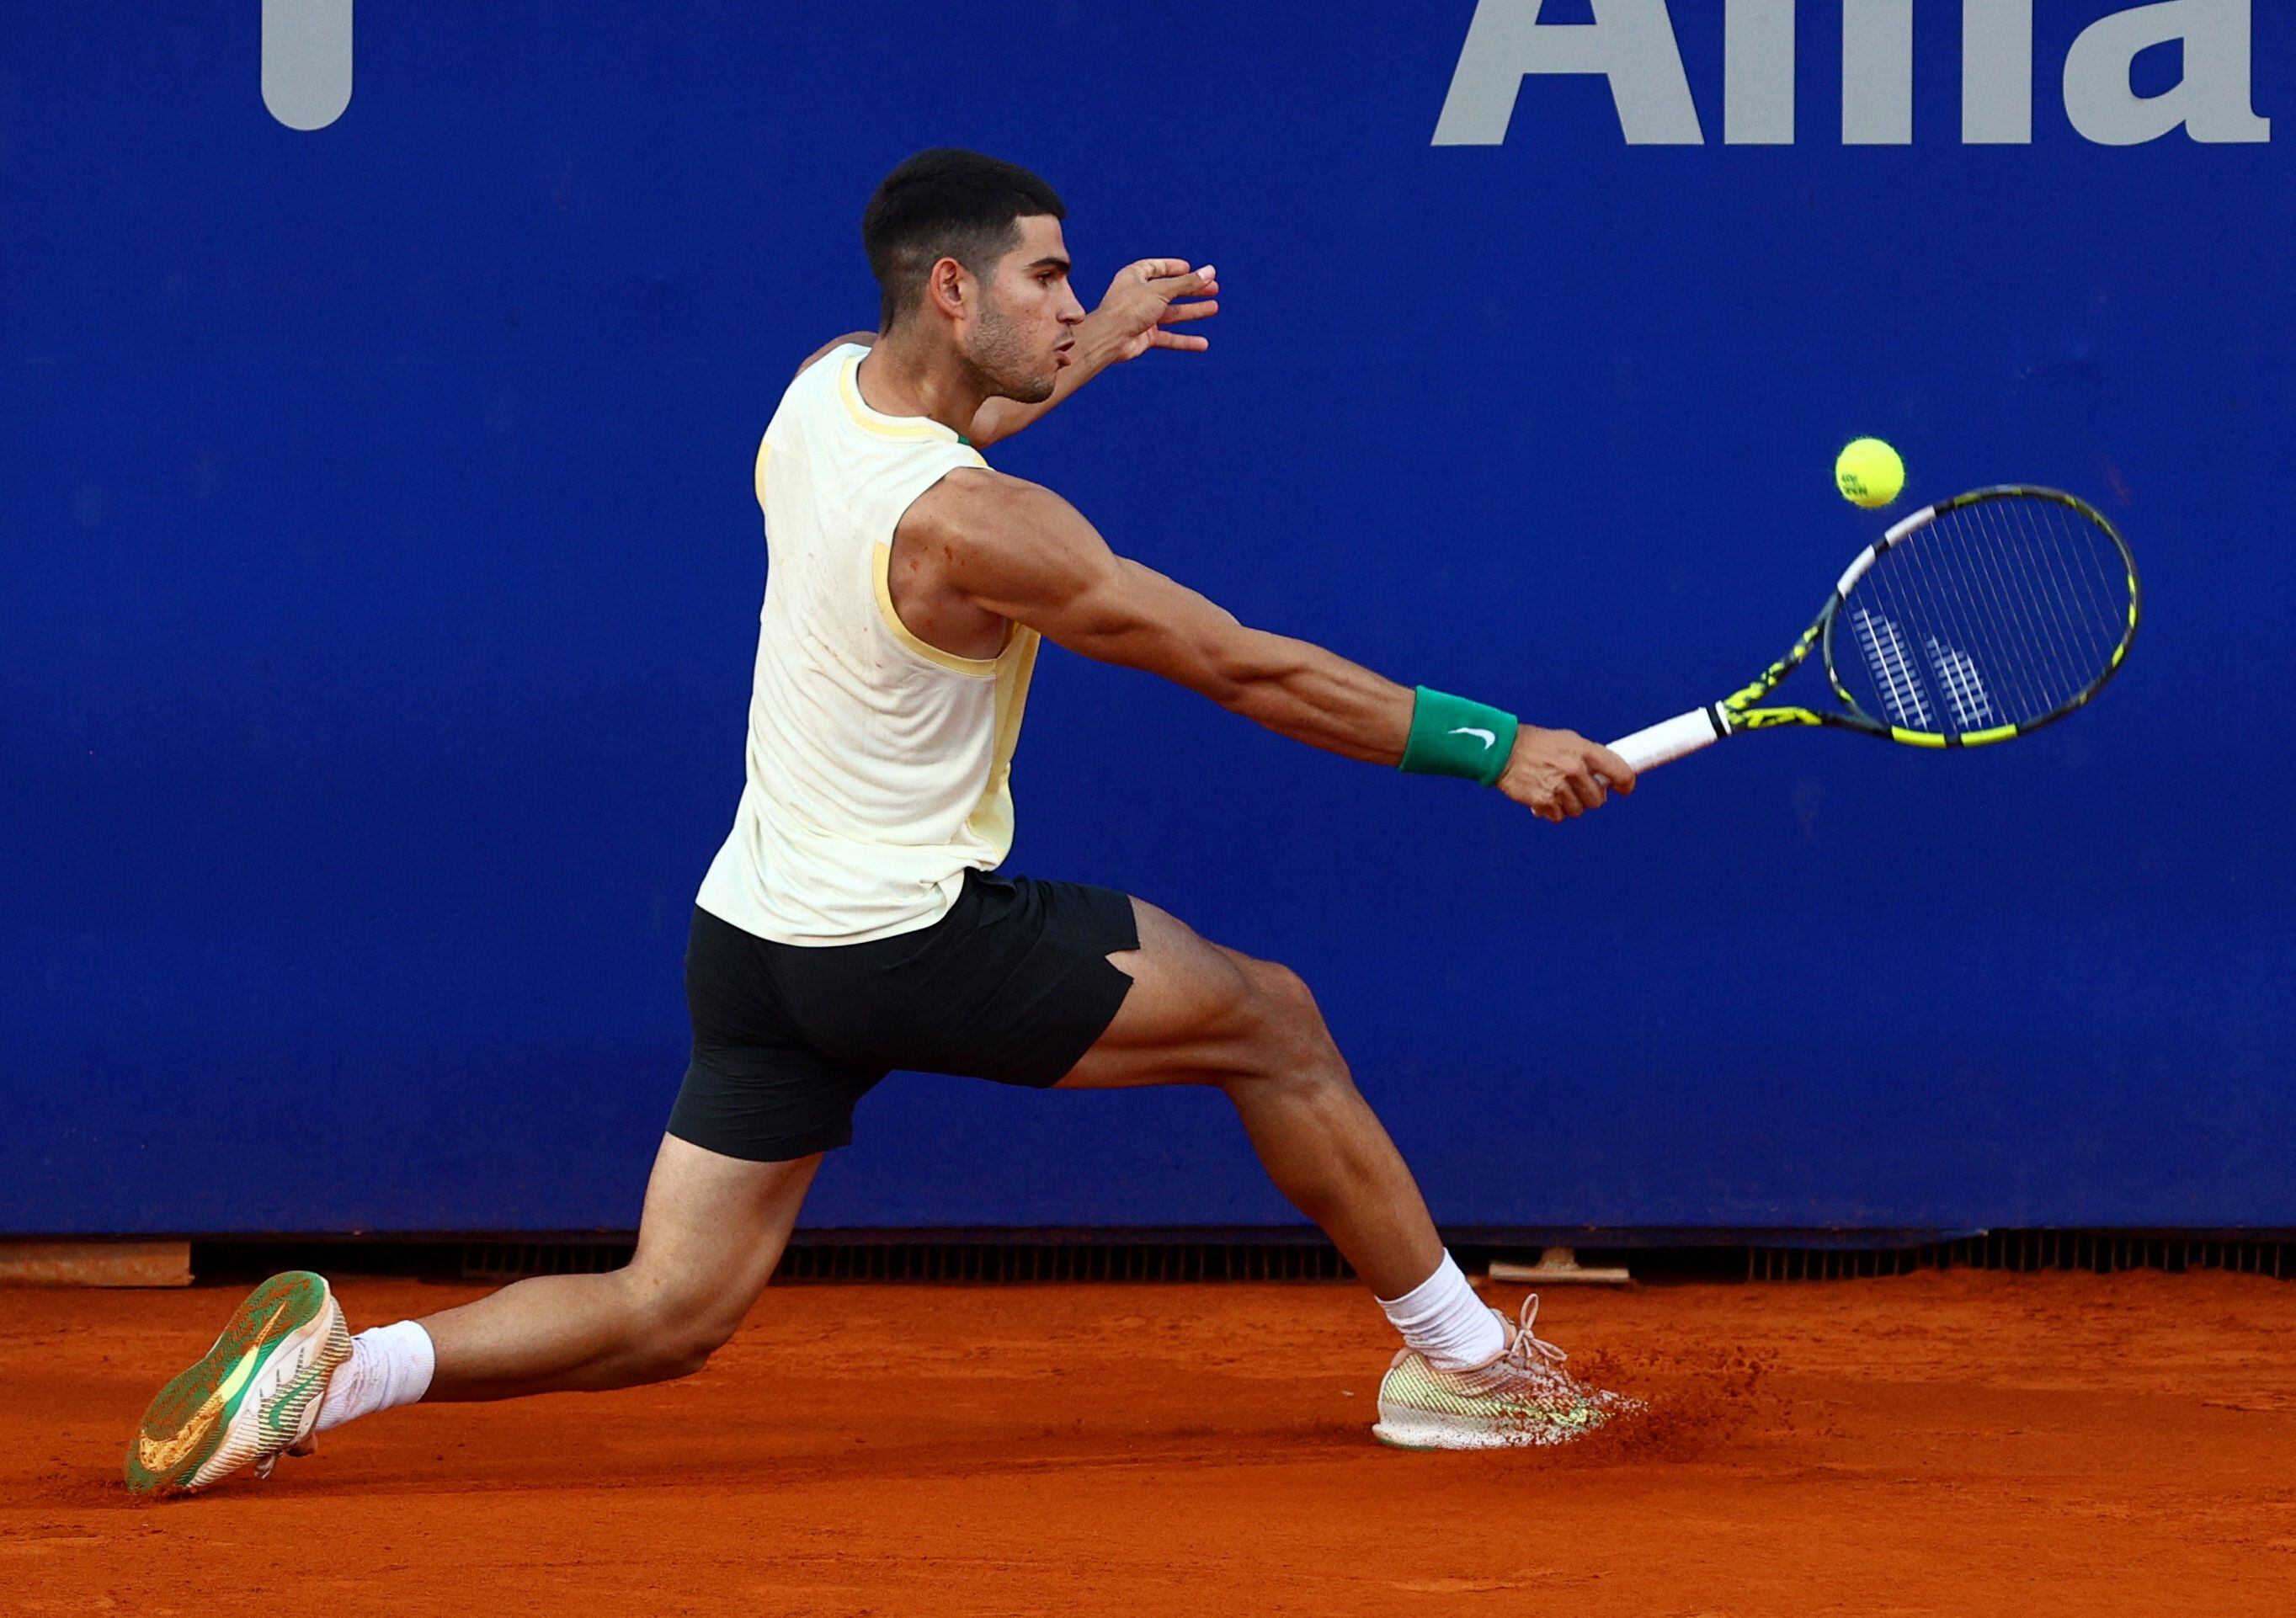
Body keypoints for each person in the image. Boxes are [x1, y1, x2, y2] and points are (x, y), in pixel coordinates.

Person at [125, 148, 1638, 1496]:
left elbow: (956, 427)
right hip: (907, 935)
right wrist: (1494, 744)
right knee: (1276, 1022)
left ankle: (336, 1368)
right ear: (953, 283)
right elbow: (1236, 662)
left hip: (755, 939)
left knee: (672, 1308)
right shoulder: (988, 527)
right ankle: (1460, 1363)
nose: (1069, 300)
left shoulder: (819, 390)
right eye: (1048, 277)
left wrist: (1090, 350)